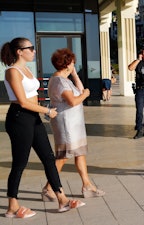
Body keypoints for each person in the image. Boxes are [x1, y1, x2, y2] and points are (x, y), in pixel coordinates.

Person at [1, 37, 85, 218]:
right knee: (20, 162)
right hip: (19, 118)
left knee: (48, 158)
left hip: (33, 117)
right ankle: (12, 206)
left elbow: (31, 96)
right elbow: (22, 102)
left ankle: (62, 199)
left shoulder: (27, 69)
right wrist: (46, 110)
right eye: (30, 48)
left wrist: (42, 111)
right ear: (19, 51)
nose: (34, 51)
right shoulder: (12, 71)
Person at [41, 48, 105, 200]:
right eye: (73, 62)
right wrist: (86, 95)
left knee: (79, 152)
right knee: (63, 156)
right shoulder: (59, 81)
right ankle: (48, 188)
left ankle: (87, 185)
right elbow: (73, 101)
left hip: (74, 124)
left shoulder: (65, 79)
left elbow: (80, 90)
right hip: (67, 125)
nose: (74, 64)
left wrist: (75, 74)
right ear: (67, 63)